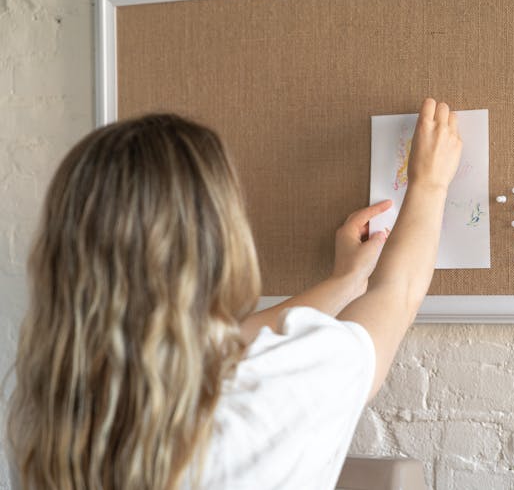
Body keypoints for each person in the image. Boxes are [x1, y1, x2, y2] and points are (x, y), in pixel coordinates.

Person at [6, 98, 462, 489]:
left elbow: (219, 340)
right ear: (216, 238)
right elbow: (396, 293)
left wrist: (342, 283)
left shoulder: (47, 406)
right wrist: (428, 184)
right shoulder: (269, 389)